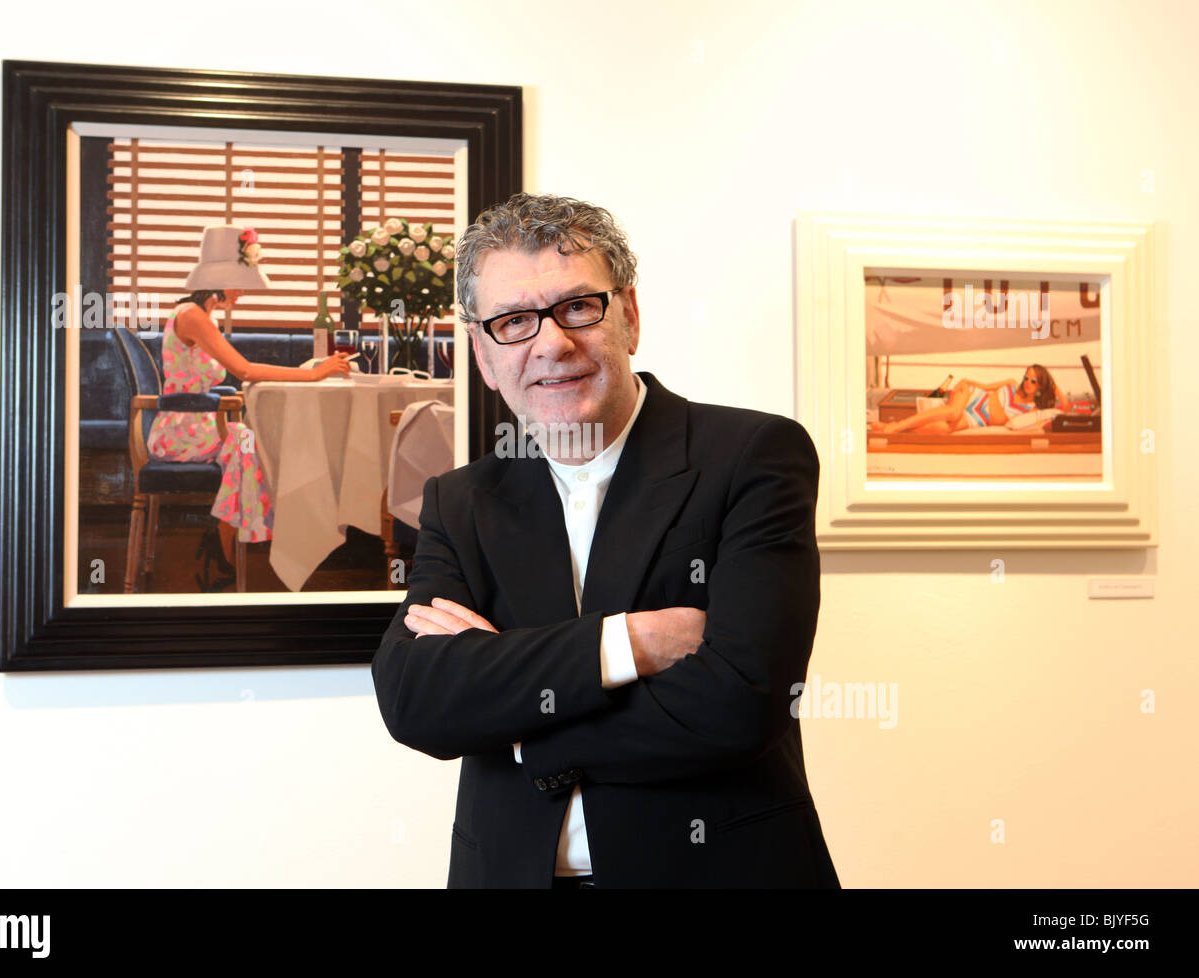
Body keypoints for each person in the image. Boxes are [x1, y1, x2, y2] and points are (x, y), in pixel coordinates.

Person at [371, 193, 840, 888]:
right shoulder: (462, 500)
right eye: (513, 321)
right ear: (482, 353)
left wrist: (518, 724)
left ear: (630, 316)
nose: (551, 344)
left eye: (578, 307)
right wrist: (630, 643)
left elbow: (741, 702)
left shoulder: (752, 457)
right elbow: (417, 698)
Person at [147, 225, 353, 590]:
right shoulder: (191, 315)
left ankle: (224, 538)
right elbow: (243, 370)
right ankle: (225, 542)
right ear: (217, 279)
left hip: (198, 424)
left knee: (249, 440)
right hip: (179, 430)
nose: (242, 292)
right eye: (238, 283)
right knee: (247, 443)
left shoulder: (202, 314)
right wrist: (315, 374)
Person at [869, 364, 1071, 435]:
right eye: (1026, 377)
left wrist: (1054, 387)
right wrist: (966, 382)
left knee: (944, 428)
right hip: (973, 396)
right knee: (953, 412)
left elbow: (1065, 409)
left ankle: (895, 428)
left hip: (977, 419)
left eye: (1034, 380)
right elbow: (984, 387)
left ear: (1041, 385)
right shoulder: (1011, 383)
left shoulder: (1033, 410)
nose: (1027, 382)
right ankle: (897, 426)